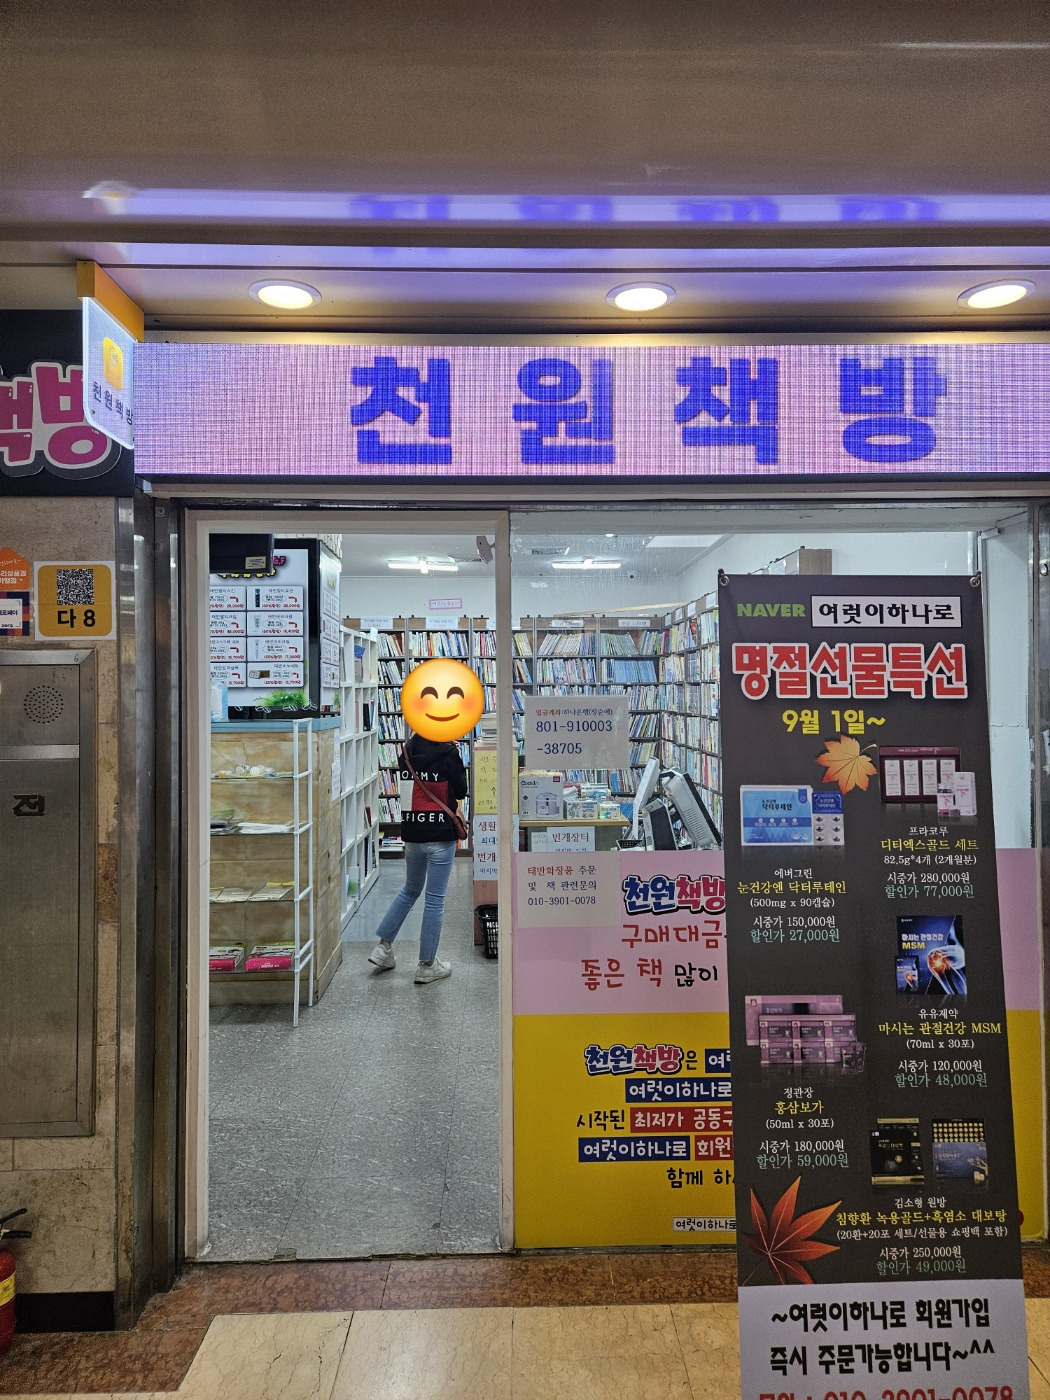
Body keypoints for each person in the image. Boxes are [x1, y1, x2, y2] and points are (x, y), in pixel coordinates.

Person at [368, 727, 468, 983]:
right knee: (434, 900)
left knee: (410, 890)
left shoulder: (406, 751)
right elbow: (460, 791)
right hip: (440, 835)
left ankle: (383, 948)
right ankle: (427, 965)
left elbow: (408, 789)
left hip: (412, 833)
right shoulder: (449, 753)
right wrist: (455, 756)